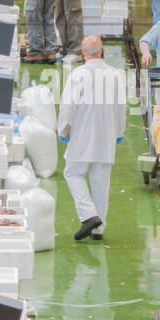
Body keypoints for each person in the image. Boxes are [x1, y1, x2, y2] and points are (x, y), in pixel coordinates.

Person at [57, 35, 127, 242]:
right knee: (101, 182)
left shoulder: (78, 74)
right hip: (107, 135)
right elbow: (121, 107)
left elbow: (68, 105)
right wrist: (119, 133)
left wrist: (63, 130)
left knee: (73, 173)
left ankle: (88, 215)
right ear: (102, 51)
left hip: (82, 134)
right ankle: (99, 229)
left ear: (84, 53)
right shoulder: (115, 75)